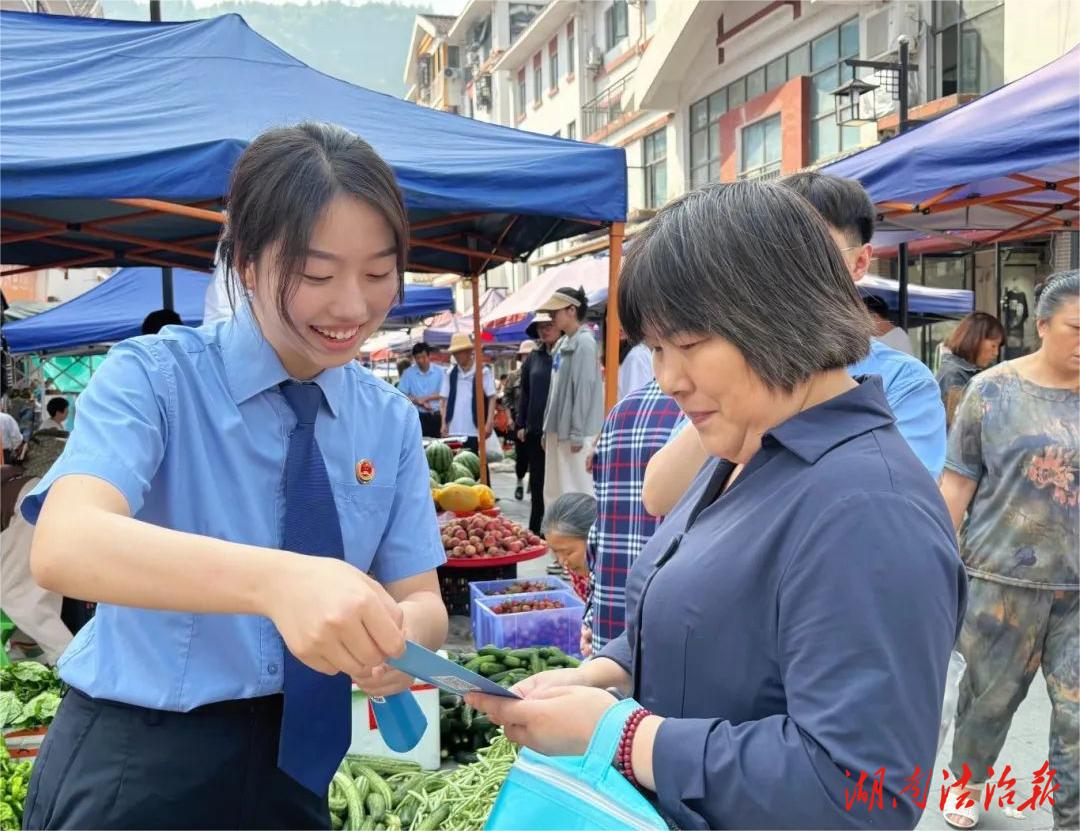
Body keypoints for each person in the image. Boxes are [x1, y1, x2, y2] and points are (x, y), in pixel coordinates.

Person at [467, 181, 966, 830]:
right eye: (657, 350)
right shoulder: (740, 448)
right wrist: (600, 674)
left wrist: (624, 734)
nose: (670, 379)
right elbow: (693, 616)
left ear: (780, 311)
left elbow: (860, 788)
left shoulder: (871, 506)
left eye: (691, 343)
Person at [19, 123, 448, 829]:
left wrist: (401, 643)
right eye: (316, 274)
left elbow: (422, 598)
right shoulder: (155, 379)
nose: (351, 306)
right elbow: (65, 545)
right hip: (140, 762)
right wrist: (280, 581)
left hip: (297, 766)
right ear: (245, 262)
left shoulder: (389, 421)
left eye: (378, 273)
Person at [642, 171, 946, 517]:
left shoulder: (901, 381)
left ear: (860, 262)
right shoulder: (734, 368)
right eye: (768, 258)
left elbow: (888, 505)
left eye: (813, 253)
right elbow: (659, 495)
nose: (787, 272)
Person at [938, 271, 1078, 830]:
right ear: (1042, 325)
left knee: (1076, 715)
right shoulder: (992, 390)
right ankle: (965, 783)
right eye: (1076, 327)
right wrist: (933, 563)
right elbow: (956, 483)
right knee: (986, 703)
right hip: (1000, 582)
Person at [587, 378, 683, 653]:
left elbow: (600, 532)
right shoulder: (742, 414)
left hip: (617, 641)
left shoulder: (625, 410)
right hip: (671, 646)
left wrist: (592, 616)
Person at [538, 287, 604, 505]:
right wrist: (547, 430)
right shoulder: (563, 343)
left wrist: (576, 433)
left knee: (576, 492)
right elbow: (554, 392)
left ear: (571, 310)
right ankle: (558, 538)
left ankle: (578, 539)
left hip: (577, 433)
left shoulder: (585, 342)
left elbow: (583, 389)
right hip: (558, 430)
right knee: (556, 492)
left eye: (555, 312)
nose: (551, 317)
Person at [516, 313, 558, 535]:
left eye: (549, 325)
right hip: (534, 431)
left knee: (557, 485)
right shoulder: (533, 358)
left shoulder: (565, 354)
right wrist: (520, 423)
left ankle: (556, 530)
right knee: (538, 483)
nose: (545, 330)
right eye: (541, 326)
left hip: (558, 433)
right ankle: (536, 530)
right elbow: (525, 393)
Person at [935, 311, 1005, 428]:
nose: (996, 353)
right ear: (975, 340)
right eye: (993, 345)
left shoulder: (968, 373)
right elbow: (962, 426)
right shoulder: (955, 375)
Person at [439, 332, 496, 459]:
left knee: (477, 464)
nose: (457, 356)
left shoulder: (483, 371)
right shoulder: (450, 373)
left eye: (460, 352)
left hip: (475, 429)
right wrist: (443, 423)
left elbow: (492, 397)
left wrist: (489, 422)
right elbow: (443, 400)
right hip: (454, 428)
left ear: (469, 351)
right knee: (458, 465)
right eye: (455, 353)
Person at [540, 492, 594, 604]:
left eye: (568, 552)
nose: (561, 561)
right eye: (555, 552)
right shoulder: (578, 573)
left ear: (593, 537)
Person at [397, 342, 445, 438]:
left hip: (436, 415)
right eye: (417, 358)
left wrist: (426, 398)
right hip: (416, 416)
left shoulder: (440, 372)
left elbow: (444, 393)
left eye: (423, 357)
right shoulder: (408, 373)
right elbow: (401, 394)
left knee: (437, 447)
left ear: (429, 356)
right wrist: (418, 401)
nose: (420, 360)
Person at [503, 342, 532, 500]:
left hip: (535, 420)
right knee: (521, 456)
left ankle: (533, 484)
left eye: (530, 355)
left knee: (536, 455)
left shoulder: (540, 372)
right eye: (524, 355)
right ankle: (520, 481)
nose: (527, 358)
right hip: (518, 419)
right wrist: (508, 417)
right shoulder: (514, 376)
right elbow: (506, 398)